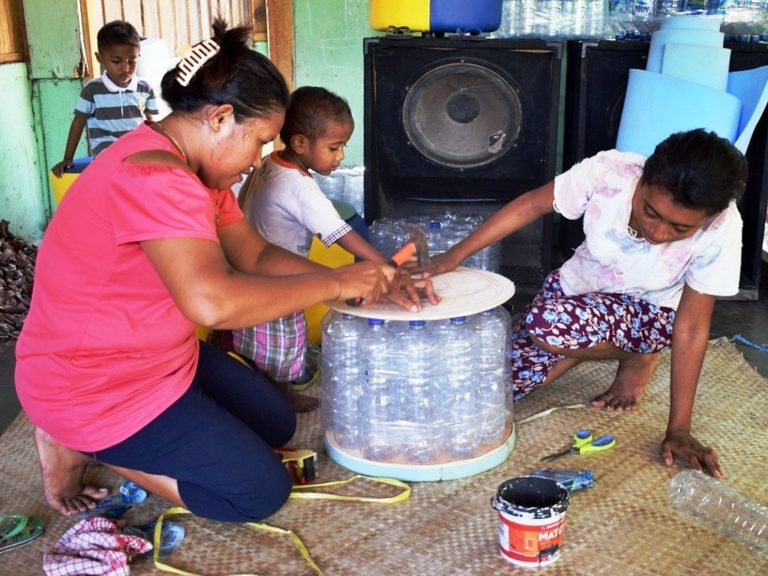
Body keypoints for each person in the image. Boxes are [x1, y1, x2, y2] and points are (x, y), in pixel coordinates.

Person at [15, 19, 436, 523]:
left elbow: (253, 256)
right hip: (94, 383)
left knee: (276, 422)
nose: (257, 160)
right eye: (259, 141)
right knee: (259, 492)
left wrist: (351, 286)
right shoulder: (157, 178)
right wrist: (337, 281)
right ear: (219, 118)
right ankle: (86, 444)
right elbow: (210, 301)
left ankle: (111, 434)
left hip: (158, 358)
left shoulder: (194, 170)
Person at [419, 129, 747, 479]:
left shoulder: (723, 227)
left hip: (651, 314)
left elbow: (693, 326)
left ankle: (637, 352)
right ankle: (609, 349)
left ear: (708, 217)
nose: (660, 233)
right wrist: (454, 256)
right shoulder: (610, 173)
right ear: (644, 178)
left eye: (680, 228)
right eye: (651, 212)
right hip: (575, 295)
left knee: (545, 326)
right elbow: (531, 204)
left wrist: (679, 429)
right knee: (500, 386)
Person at [234, 86, 386, 390]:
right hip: (276, 280)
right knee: (285, 338)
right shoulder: (298, 186)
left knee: (259, 339)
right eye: (334, 147)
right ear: (301, 143)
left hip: (249, 272)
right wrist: (383, 265)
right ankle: (286, 389)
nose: (341, 156)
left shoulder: (271, 161)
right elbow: (342, 232)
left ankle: (270, 385)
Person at [51, 20, 159, 177]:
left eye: (132, 61)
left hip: (138, 153)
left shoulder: (145, 88)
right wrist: (68, 158)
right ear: (99, 58)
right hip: (107, 157)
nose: (126, 68)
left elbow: (152, 124)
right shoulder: (92, 90)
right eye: (116, 61)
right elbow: (78, 122)